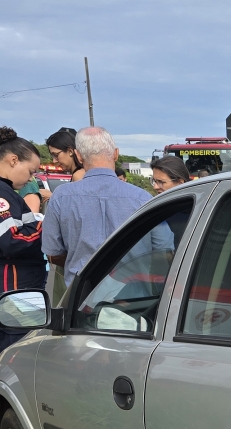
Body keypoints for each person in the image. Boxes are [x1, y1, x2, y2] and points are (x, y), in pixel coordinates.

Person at [41, 127, 151, 287]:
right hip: (134, 296)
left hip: (81, 295)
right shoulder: (143, 198)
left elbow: (53, 251)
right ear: (116, 153)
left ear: (78, 155)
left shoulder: (61, 196)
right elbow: (162, 246)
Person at [0, 128, 47, 348]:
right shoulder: (2, 194)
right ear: (13, 160)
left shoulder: (9, 192)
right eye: (30, 171)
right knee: (16, 351)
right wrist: (47, 225)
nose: (31, 178)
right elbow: (11, 239)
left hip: (17, 290)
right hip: (14, 293)